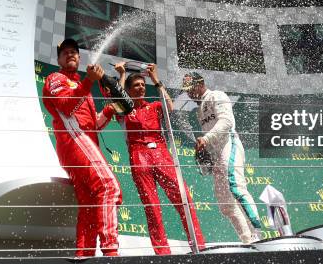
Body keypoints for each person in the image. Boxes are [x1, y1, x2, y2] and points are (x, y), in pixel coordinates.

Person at [98, 63, 206, 255]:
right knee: (152, 208)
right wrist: (121, 75)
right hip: (139, 157)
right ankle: (163, 253)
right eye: (136, 85)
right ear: (129, 91)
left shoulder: (155, 106)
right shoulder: (124, 111)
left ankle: (198, 246)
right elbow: (117, 97)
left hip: (162, 154)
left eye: (142, 84)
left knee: (184, 200)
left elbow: (170, 106)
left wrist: (155, 79)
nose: (140, 87)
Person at [42, 39, 122, 257]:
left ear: (79, 58)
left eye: (74, 52)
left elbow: (92, 125)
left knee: (89, 206)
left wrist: (109, 111)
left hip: (83, 143)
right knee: (109, 187)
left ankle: (83, 256)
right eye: (65, 52)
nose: (71, 55)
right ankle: (111, 253)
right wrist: (88, 81)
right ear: (58, 59)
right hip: (74, 142)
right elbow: (67, 108)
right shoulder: (55, 78)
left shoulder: (80, 86)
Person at [182, 72, 262, 244]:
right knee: (225, 203)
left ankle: (258, 231)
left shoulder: (216, 95)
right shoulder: (200, 110)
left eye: (191, 88)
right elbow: (210, 134)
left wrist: (206, 139)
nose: (189, 93)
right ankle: (247, 240)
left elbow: (226, 123)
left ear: (201, 83)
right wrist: (207, 154)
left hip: (229, 144)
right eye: (187, 91)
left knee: (236, 187)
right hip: (217, 153)